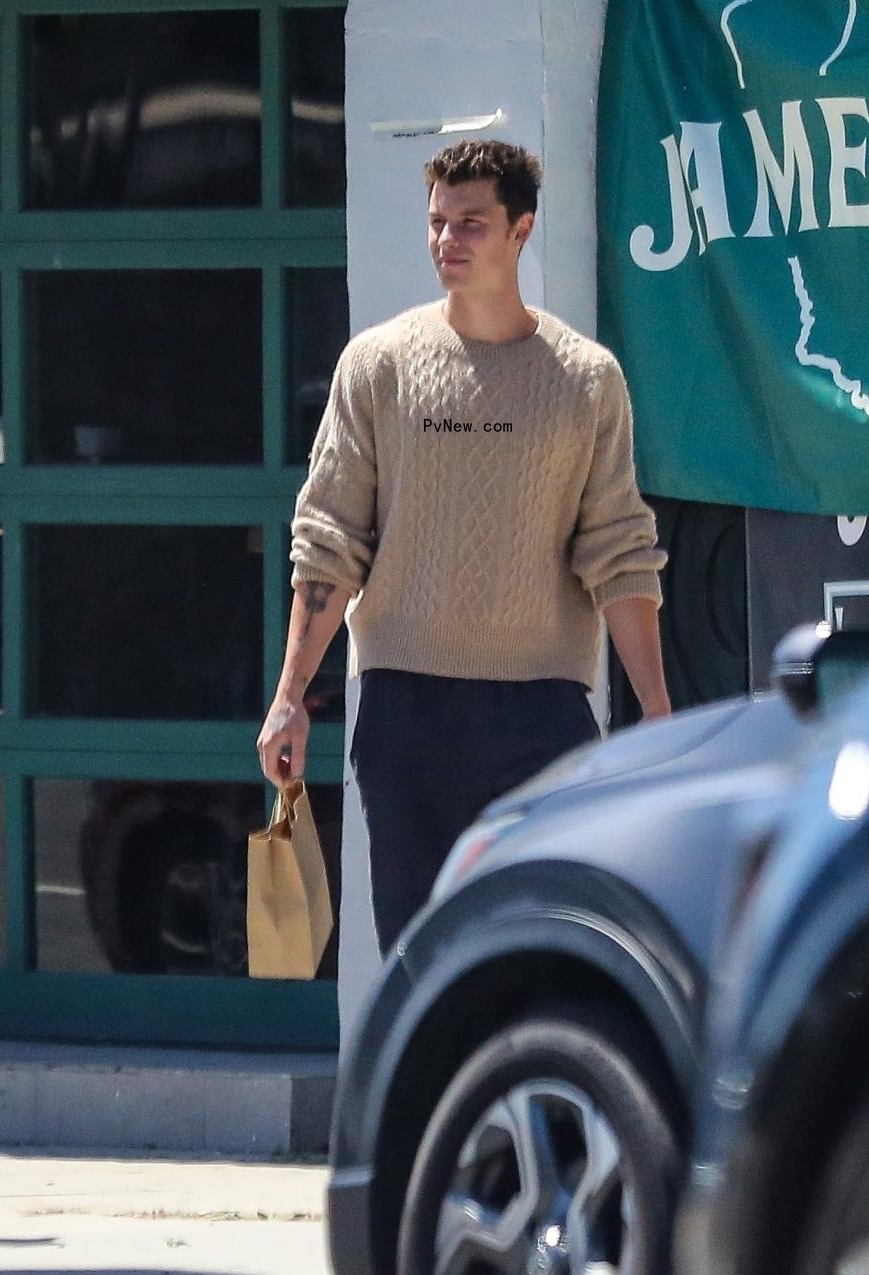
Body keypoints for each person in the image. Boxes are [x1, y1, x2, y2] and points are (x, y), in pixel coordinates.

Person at [256, 139, 670, 957]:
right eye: (438, 222)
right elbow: (329, 541)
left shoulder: (586, 380)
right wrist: (289, 695)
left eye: (471, 223)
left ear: (522, 230)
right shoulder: (377, 366)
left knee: (542, 948)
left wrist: (655, 712)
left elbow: (619, 550)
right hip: (405, 709)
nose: (448, 240)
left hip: (542, 711)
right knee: (420, 958)